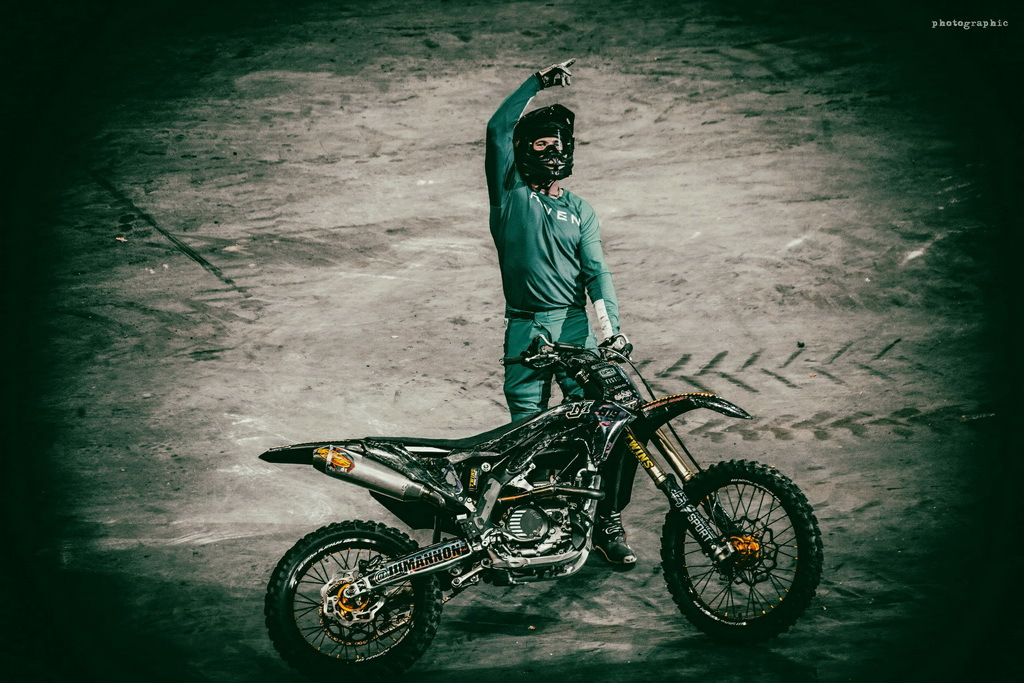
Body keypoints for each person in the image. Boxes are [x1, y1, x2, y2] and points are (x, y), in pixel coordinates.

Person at [485, 59, 638, 567]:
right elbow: (497, 129)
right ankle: (528, 525)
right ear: (524, 151)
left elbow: (597, 274)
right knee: (527, 433)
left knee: (609, 423)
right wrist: (536, 83)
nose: (551, 151)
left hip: (574, 328)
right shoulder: (510, 197)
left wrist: (610, 332)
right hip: (526, 328)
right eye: (540, 144)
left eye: (558, 144)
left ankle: (606, 520)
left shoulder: (581, 210)